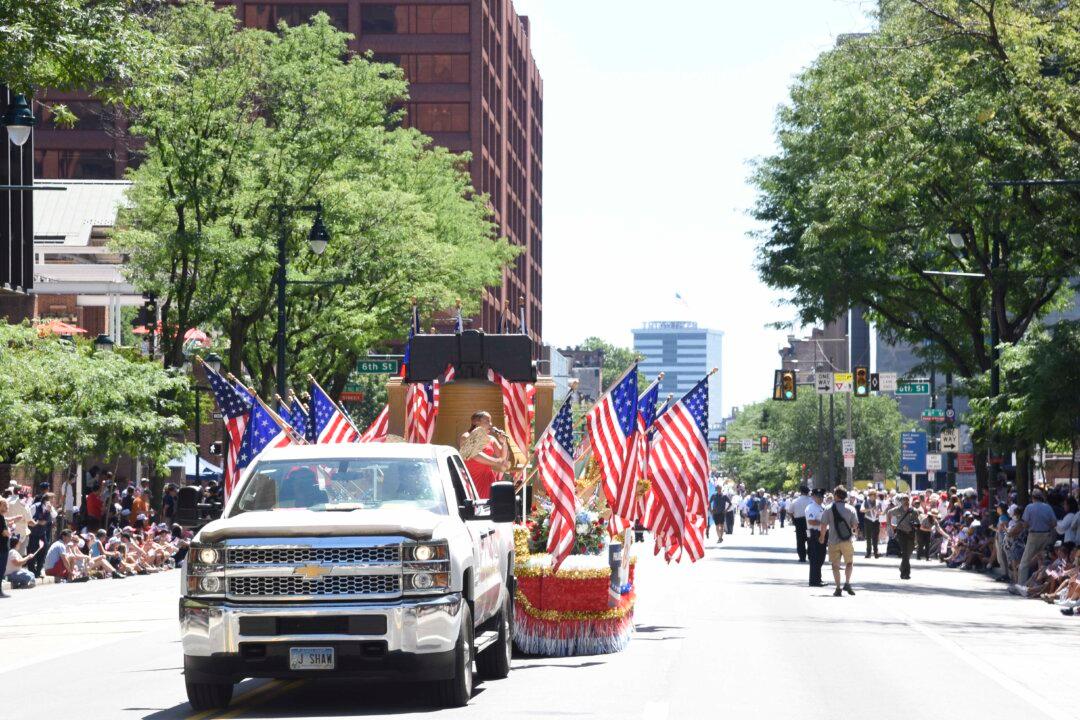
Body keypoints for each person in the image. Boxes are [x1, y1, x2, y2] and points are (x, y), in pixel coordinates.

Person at [819, 486, 858, 596]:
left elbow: (823, 525)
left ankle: (838, 588)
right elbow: (855, 526)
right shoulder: (851, 509)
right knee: (849, 563)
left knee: (835, 566)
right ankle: (847, 583)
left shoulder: (828, 508)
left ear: (836, 495)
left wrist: (822, 537)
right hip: (847, 540)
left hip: (833, 541)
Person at [461, 411, 509, 499]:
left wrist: (503, 443)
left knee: (488, 505)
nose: (490, 424)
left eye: (490, 421)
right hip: (471, 478)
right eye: (487, 421)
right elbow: (475, 454)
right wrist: (498, 462)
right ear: (476, 422)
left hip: (487, 478)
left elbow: (502, 456)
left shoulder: (491, 439)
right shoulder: (466, 436)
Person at [1018, 490, 1058, 585]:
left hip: (1033, 535)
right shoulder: (1048, 507)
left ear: (1033, 498)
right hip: (1046, 535)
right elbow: (1054, 523)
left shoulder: (1029, 507)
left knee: (1025, 561)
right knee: (1043, 559)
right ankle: (1040, 584)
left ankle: (1021, 584)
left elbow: (1025, 524)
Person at [889, 494, 919, 580]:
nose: (906, 502)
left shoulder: (913, 511)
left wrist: (916, 525)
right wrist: (890, 525)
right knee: (905, 552)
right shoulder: (897, 510)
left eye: (907, 500)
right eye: (904, 500)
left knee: (908, 553)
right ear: (901, 502)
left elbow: (917, 522)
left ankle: (902, 567)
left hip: (911, 533)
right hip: (901, 533)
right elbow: (888, 513)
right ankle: (905, 573)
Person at [806, 488, 826, 587]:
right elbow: (811, 521)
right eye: (818, 496)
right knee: (815, 557)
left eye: (821, 496)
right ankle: (814, 580)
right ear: (813, 497)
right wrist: (824, 523)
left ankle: (818, 578)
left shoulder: (822, 506)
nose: (820, 498)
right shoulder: (811, 507)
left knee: (821, 557)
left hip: (822, 532)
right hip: (814, 533)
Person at [788, 486, 812, 563]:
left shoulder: (795, 501)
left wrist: (793, 518)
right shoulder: (811, 501)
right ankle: (811, 555)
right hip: (809, 522)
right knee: (810, 539)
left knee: (800, 540)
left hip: (799, 522)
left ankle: (802, 557)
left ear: (800, 492)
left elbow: (790, 512)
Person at [863, 490, 881, 558]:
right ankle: (868, 552)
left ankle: (876, 552)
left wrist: (878, 512)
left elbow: (881, 512)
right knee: (868, 537)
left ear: (875, 496)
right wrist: (869, 509)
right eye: (870, 495)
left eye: (873, 495)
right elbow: (862, 510)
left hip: (876, 520)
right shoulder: (865, 502)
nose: (871, 497)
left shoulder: (878, 502)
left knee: (875, 537)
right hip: (868, 520)